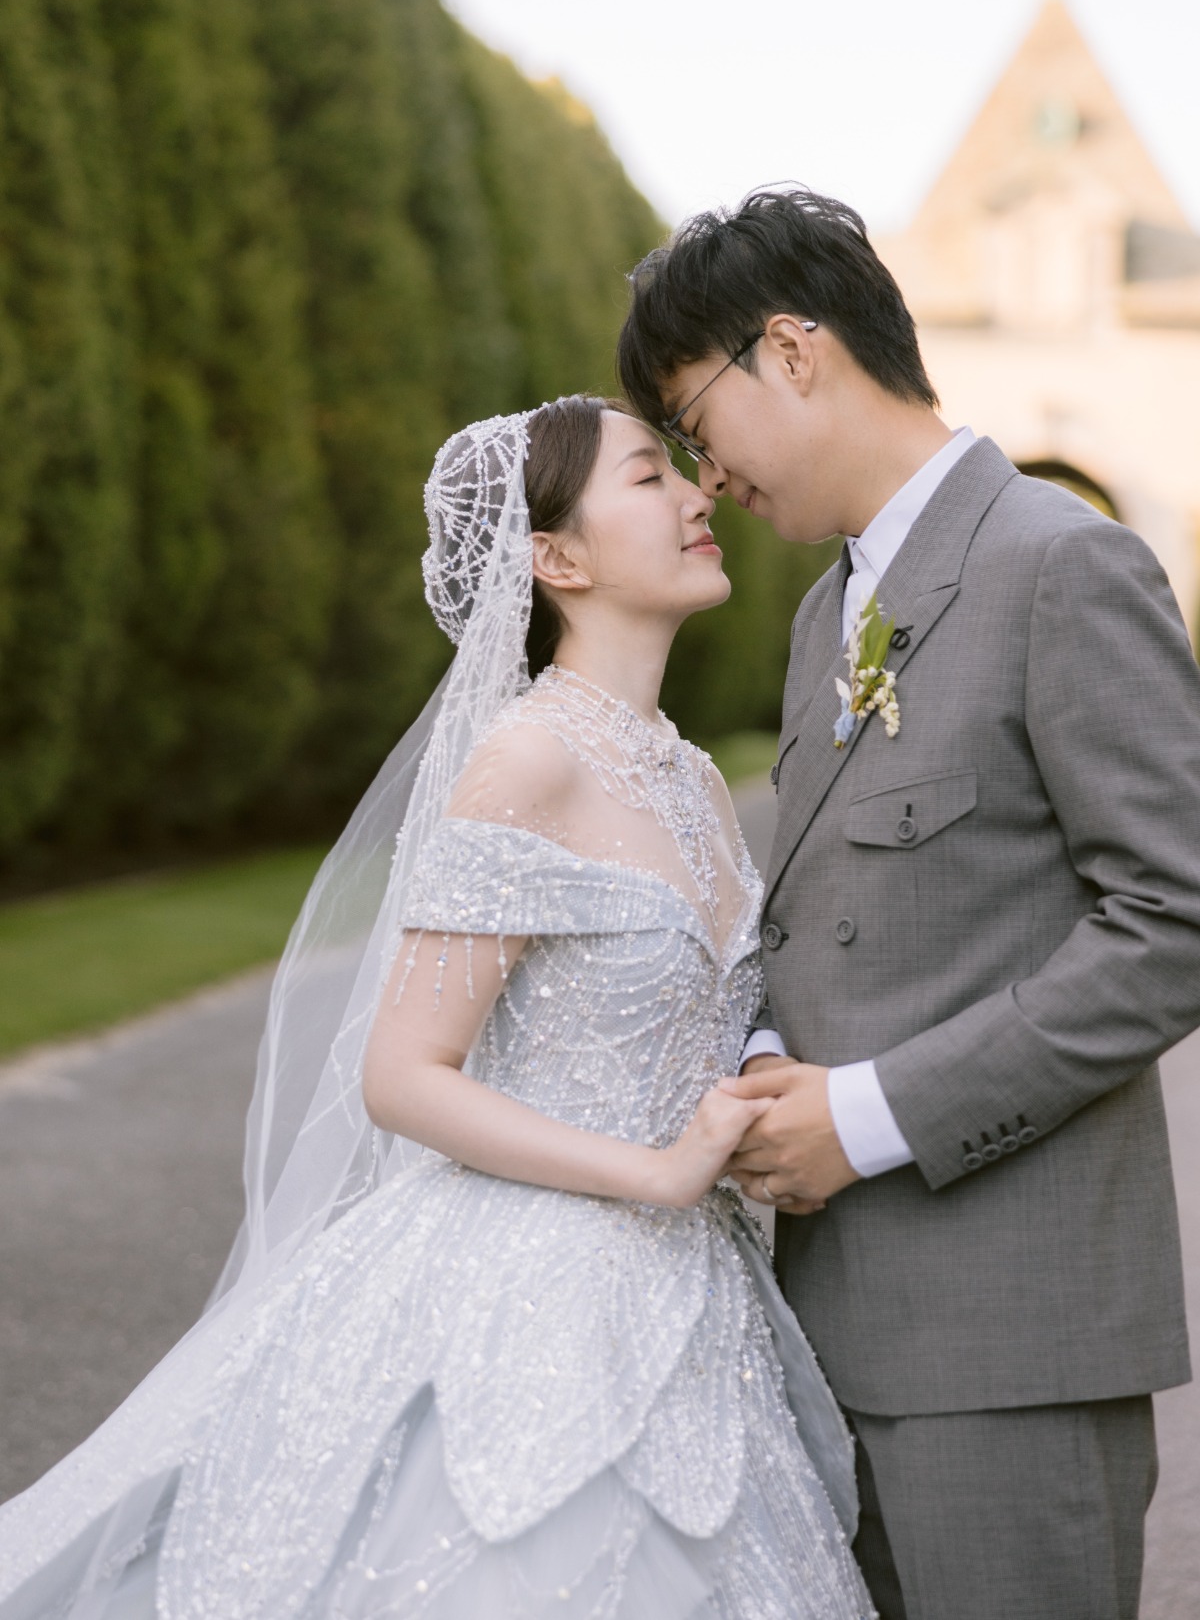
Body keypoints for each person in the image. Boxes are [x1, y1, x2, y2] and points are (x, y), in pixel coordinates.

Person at [0, 396, 873, 1619]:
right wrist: (656, 1169)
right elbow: (405, 1074)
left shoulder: (688, 772)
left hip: (693, 1305)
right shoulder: (529, 759)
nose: (696, 496)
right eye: (647, 478)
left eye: (683, 473)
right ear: (556, 558)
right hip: (528, 1295)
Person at [616, 184, 1200, 1620]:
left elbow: (1175, 921)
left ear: (795, 352)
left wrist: (866, 1118)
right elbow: (811, 911)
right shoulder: (828, 610)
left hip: (1007, 1351)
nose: (707, 473)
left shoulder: (1064, 564)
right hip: (824, 1334)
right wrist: (763, 1066)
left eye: (699, 417)